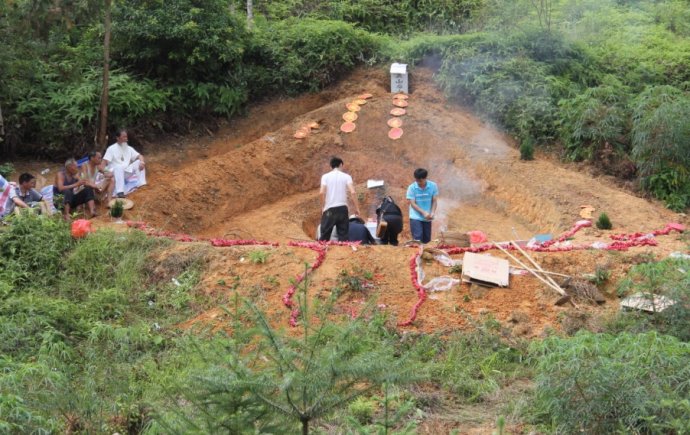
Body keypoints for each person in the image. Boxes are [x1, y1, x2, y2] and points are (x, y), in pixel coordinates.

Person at [319, 156, 361, 241]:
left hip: (329, 210)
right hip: (343, 209)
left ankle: (323, 252)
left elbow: (321, 192)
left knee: (324, 235)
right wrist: (357, 208)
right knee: (343, 236)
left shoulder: (325, 176)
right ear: (341, 165)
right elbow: (353, 192)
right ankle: (344, 252)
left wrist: (323, 207)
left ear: (331, 166)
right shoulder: (347, 176)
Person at [103, 129, 146, 198]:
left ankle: (142, 184)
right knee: (118, 167)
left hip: (125, 172)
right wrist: (105, 172)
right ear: (118, 138)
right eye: (124, 137)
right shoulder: (111, 149)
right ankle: (120, 192)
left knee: (139, 162)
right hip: (114, 173)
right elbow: (103, 162)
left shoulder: (129, 148)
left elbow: (140, 156)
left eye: (126, 137)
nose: (126, 139)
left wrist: (142, 162)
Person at [406, 168, 438, 244]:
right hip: (415, 216)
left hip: (427, 217)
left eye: (420, 180)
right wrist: (423, 213)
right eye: (417, 180)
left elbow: (434, 201)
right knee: (418, 238)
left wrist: (432, 212)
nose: (418, 182)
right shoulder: (412, 187)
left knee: (427, 240)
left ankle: (425, 255)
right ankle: (417, 255)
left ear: (425, 178)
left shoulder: (433, 186)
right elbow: (413, 203)